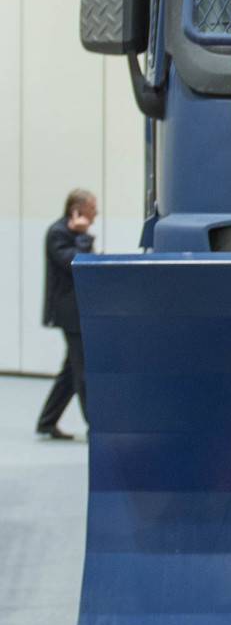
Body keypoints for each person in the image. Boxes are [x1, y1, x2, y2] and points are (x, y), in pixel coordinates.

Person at [36, 188, 97, 441]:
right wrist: (83, 237)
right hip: (68, 313)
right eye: (93, 208)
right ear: (78, 209)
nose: (96, 214)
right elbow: (73, 262)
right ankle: (95, 426)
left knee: (71, 370)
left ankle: (46, 421)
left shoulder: (69, 233)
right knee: (81, 369)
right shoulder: (59, 233)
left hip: (75, 309)